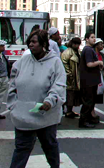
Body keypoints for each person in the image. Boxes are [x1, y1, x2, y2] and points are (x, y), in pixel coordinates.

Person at [7, 29, 66, 168]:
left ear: (44, 44)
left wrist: (49, 101)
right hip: (23, 115)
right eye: (29, 42)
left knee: (49, 146)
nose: (31, 45)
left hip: (46, 114)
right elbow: (13, 82)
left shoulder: (55, 62)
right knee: (21, 149)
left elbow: (59, 85)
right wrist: (13, 104)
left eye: (34, 42)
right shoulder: (23, 61)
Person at [78, 32, 103, 128]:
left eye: (94, 37)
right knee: (88, 102)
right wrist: (99, 62)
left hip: (91, 80)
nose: (94, 39)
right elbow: (89, 64)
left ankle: (88, 119)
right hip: (88, 81)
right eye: (92, 37)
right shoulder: (88, 50)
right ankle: (83, 121)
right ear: (87, 39)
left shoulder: (89, 49)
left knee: (91, 101)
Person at [61, 37, 82, 119]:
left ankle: (70, 110)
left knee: (73, 94)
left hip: (76, 75)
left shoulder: (78, 52)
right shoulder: (66, 53)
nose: (77, 46)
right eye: (76, 44)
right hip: (70, 77)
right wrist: (69, 74)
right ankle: (67, 111)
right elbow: (64, 64)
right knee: (69, 94)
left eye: (78, 44)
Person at [0, 40, 11, 119]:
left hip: (4, 77)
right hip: (0, 77)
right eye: (2, 46)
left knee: (1, 96)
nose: (4, 47)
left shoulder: (2, 55)